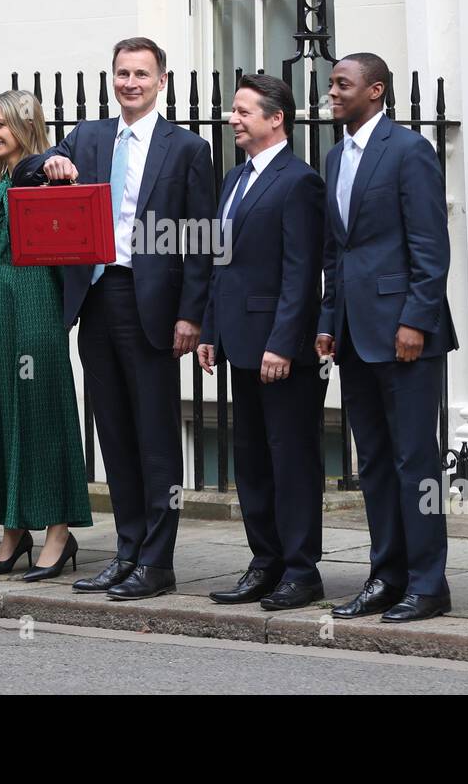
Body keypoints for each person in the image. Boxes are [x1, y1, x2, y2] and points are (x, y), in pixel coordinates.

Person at [28, 36, 215, 600]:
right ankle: (127, 550)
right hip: (96, 295)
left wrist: (192, 315)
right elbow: (31, 170)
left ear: (161, 81)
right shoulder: (88, 136)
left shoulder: (187, 148)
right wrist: (48, 162)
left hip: (152, 301)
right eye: (121, 73)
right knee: (112, 431)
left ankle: (157, 564)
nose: (130, 83)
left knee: (154, 435)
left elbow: (203, 240)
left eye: (140, 74)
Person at [315, 52, 458, 623]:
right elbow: (336, 251)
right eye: (330, 84)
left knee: (414, 461)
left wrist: (415, 321)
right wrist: (328, 321)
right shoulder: (334, 157)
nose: (332, 93)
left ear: (375, 91)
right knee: (372, 461)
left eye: (342, 84)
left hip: (404, 335)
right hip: (354, 332)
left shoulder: (408, 151)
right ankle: (385, 575)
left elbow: (431, 246)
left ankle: (428, 584)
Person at [198, 74, 326, 610]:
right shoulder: (233, 180)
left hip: (279, 349)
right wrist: (209, 329)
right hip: (236, 341)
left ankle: (301, 570)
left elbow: (302, 272)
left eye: (243, 111)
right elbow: (219, 261)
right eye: (233, 111)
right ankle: (264, 561)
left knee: (289, 457)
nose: (233, 119)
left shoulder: (300, 182)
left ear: (276, 118)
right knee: (250, 457)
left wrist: (282, 342)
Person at [0, 90, 92, 580]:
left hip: (37, 294)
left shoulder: (44, 168)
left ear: (25, 125)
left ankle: (58, 531)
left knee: (41, 409)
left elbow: (64, 174)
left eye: (2, 124)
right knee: (1, 409)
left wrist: (57, 164)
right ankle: (14, 529)